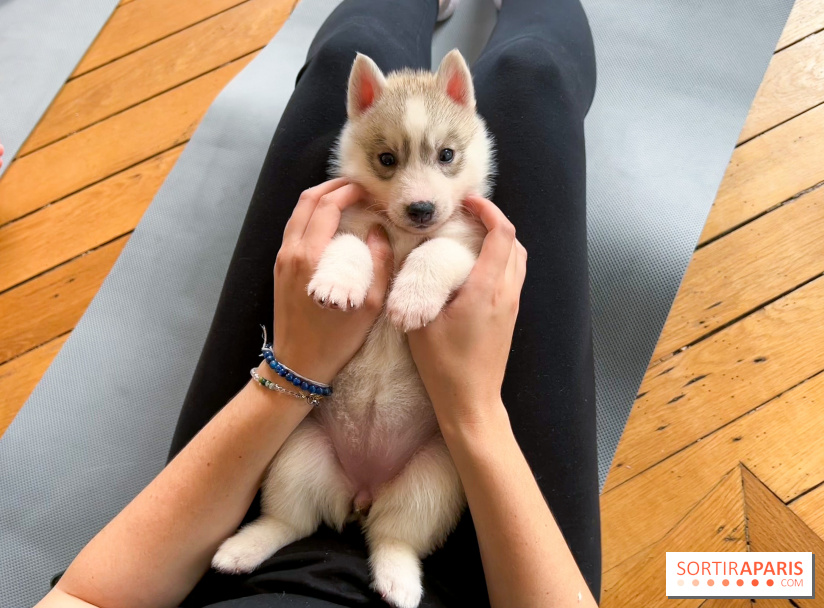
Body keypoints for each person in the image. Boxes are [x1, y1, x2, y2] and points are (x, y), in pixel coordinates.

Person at [36, 0, 599, 604]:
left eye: (442, 159)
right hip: (464, 528)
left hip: (290, 416)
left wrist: (290, 367)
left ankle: (393, 541)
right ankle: (305, 526)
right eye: (389, 162)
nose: (420, 193)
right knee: (535, 73)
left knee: (340, 55)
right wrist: (475, 412)